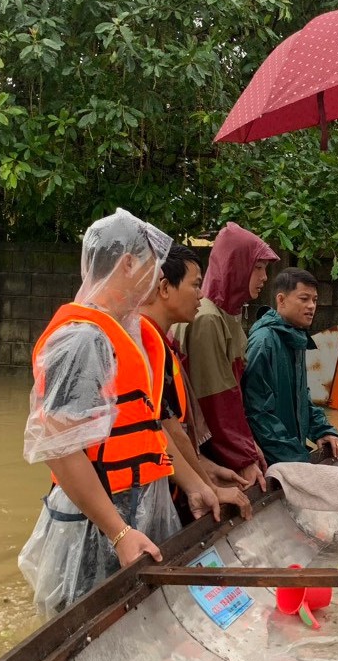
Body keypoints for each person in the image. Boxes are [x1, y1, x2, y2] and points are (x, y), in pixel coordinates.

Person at [18, 209, 221, 617]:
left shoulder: (131, 331)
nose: (155, 278)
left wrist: (192, 483)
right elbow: (61, 448)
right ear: (128, 263)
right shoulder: (81, 340)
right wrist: (120, 532)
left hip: (142, 507)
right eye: (150, 266)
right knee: (82, 624)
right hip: (97, 527)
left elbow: (148, 427)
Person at [141, 244, 252, 522]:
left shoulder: (163, 345)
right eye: (195, 285)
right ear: (165, 288)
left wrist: (207, 469)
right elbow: (165, 428)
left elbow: (173, 427)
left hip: (169, 487)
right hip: (151, 495)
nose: (201, 295)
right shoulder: (146, 347)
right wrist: (205, 485)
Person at [179, 223, 277, 492]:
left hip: (208, 452)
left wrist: (248, 445)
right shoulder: (208, 318)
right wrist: (242, 457)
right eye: (258, 267)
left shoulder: (225, 315)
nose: (264, 277)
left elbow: (231, 397)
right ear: (236, 265)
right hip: (206, 456)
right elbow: (215, 400)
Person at [243, 267, 338, 464]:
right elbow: (257, 413)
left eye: (314, 300)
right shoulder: (264, 342)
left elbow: (301, 399)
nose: (311, 306)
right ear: (281, 300)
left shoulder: (294, 337)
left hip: (290, 451)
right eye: (304, 299)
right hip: (274, 459)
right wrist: (295, 458)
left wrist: (322, 430)